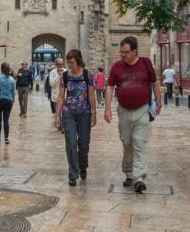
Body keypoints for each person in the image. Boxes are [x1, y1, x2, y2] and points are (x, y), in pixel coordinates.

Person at [105, 36, 161, 194]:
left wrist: (159, 101)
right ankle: (129, 173)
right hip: (123, 110)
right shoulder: (116, 67)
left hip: (142, 109)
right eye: (121, 52)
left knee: (139, 142)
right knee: (127, 142)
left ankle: (139, 178)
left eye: (126, 52)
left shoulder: (145, 63)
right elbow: (109, 88)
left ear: (134, 51)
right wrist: (107, 108)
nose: (123, 55)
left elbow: (154, 82)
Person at [55, 49, 97, 187]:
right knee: (71, 143)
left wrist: (94, 113)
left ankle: (83, 166)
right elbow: (61, 96)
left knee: (83, 144)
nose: (70, 65)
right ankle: (73, 174)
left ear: (78, 61)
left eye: (72, 62)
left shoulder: (87, 75)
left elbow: (91, 96)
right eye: (68, 62)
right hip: (69, 113)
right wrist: (57, 115)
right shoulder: (65, 76)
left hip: (84, 113)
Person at [0, 62, 16, 144]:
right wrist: (13, 99)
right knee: (6, 119)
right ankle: (6, 138)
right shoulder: (12, 79)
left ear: (1, 68)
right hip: (9, 101)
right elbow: (13, 91)